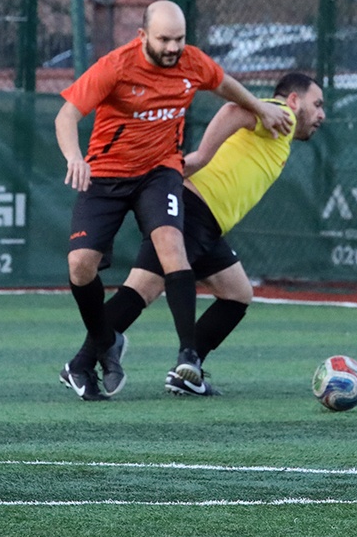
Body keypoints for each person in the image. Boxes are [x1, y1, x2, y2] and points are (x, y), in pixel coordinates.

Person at [55, 0, 293, 401]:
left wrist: (259, 107)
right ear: (142, 36)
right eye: (164, 39)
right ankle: (100, 345)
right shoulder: (116, 66)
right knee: (80, 265)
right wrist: (74, 158)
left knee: (170, 243)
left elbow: (224, 85)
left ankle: (188, 356)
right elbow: (66, 115)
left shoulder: (192, 62)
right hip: (107, 174)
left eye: (179, 39)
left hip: (160, 170)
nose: (172, 47)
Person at [100, 72, 325, 396]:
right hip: (193, 210)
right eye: (317, 104)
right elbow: (233, 110)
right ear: (293, 100)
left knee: (237, 293)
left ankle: (187, 374)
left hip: (207, 220)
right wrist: (202, 156)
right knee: (144, 287)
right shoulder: (282, 115)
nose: (321, 114)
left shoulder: (276, 124)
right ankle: (83, 360)